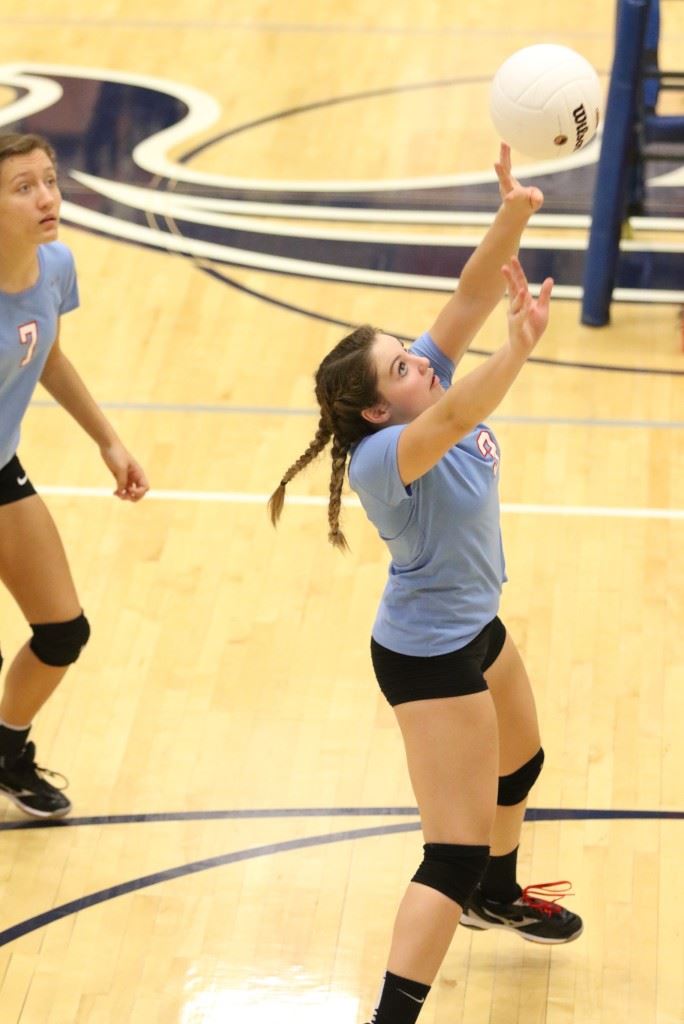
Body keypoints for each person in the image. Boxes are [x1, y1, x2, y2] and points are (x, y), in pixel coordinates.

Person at [269, 145, 583, 1024]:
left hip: (473, 622)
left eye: (410, 352)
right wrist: (520, 348)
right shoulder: (386, 454)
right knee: (450, 848)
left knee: (521, 763)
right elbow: (458, 414)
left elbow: (471, 293)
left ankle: (499, 894)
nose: (422, 360)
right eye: (403, 366)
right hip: (428, 656)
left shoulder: (417, 390)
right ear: (378, 407)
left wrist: (515, 211)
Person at [0, 132, 149, 820]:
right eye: (22, 187)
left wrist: (107, 440)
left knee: (62, 631)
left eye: (49, 180)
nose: (46, 197)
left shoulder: (54, 266)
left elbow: (48, 352)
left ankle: (5, 750)